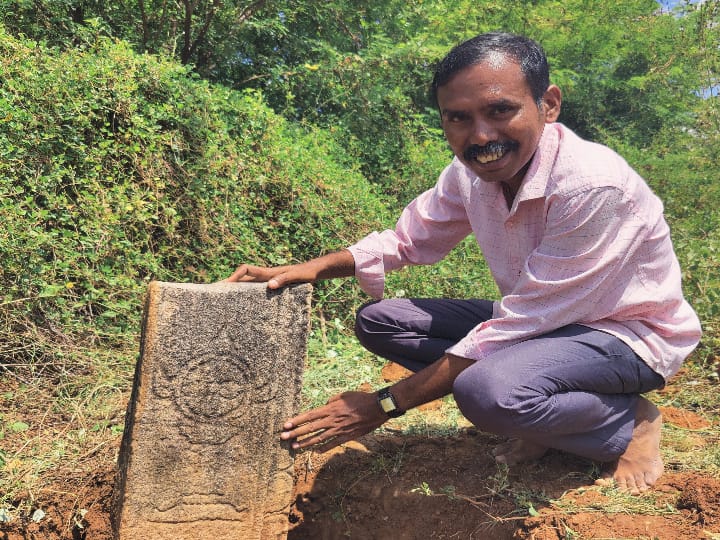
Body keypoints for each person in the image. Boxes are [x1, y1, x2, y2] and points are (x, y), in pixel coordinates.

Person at [225, 32, 701, 495]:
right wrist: (310, 267)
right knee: (383, 322)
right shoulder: (469, 175)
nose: (481, 136)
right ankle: (545, 413)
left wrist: (384, 405)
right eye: (458, 118)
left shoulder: (591, 185)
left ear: (548, 104)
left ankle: (628, 422)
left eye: (500, 110)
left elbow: (523, 320)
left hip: (624, 334)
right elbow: (410, 238)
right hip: (546, 325)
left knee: (486, 392)